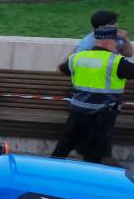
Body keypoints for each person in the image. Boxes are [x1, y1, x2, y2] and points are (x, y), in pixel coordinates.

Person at [52, 27, 134, 165]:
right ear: (107, 41)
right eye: (117, 41)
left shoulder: (77, 58)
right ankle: (89, 175)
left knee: (64, 146)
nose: (118, 45)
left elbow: (61, 68)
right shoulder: (115, 62)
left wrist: (76, 51)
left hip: (77, 112)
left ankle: (49, 170)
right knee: (94, 154)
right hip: (101, 116)